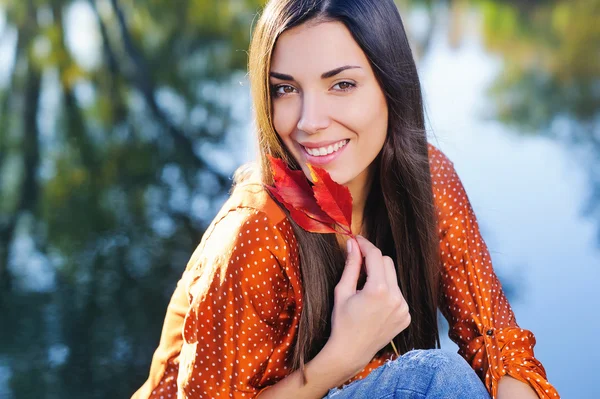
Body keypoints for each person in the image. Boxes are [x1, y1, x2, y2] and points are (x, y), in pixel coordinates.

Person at [132, 0, 559, 398]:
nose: (310, 122)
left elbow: (497, 345)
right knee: (432, 380)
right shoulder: (255, 232)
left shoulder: (428, 183)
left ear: (391, 86)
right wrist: (342, 356)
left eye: (342, 84)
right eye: (285, 89)